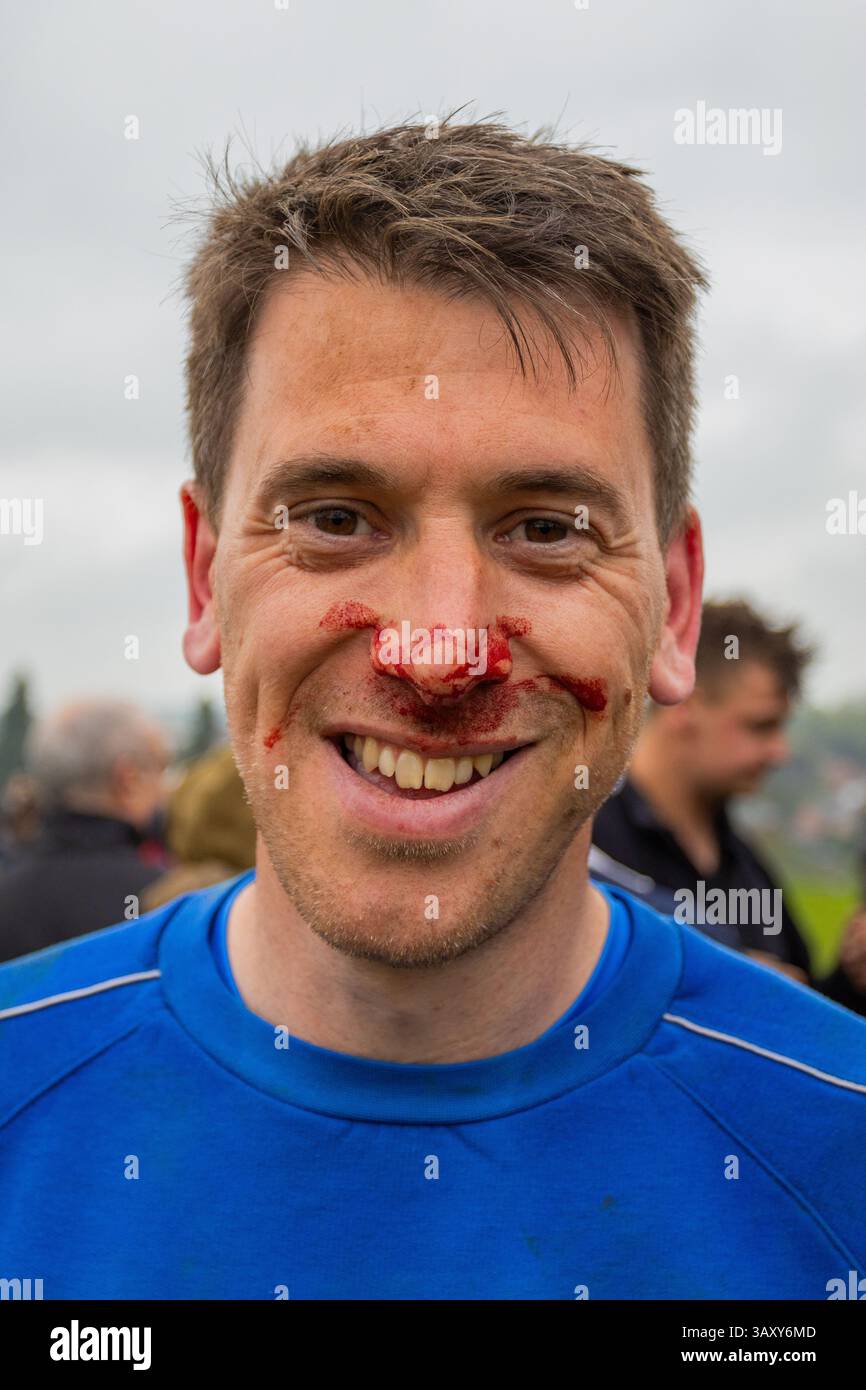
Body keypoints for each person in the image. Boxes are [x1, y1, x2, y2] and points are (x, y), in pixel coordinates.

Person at [1, 118, 865, 1301]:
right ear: (205, 577)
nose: (437, 648)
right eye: (336, 518)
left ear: (671, 604)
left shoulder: (836, 1147)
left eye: (545, 530)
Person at [591, 599, 814, 983]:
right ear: (683, 701)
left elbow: (804, 999)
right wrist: (718, 980)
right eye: (760, 726)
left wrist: (851, 978)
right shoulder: (587, 843)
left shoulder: (748, 867)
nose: (780, 751)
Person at [0, 700, 169, 960]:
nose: (165, 789)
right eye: (161, 768)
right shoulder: (165, 901)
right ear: (128, 780)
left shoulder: (8, 895)